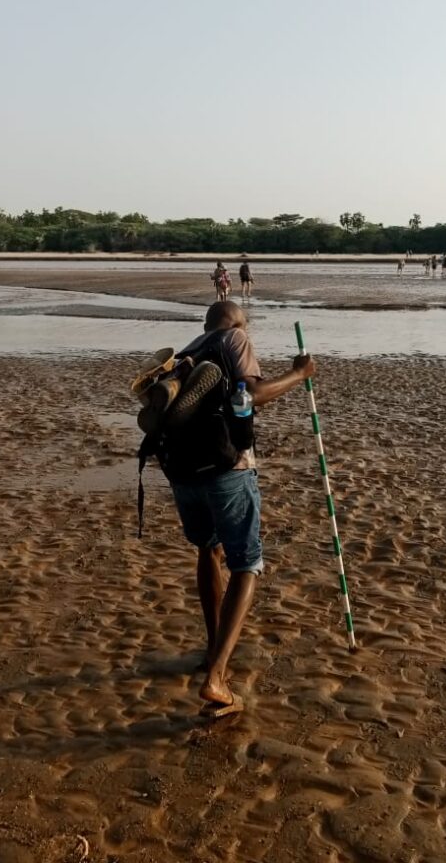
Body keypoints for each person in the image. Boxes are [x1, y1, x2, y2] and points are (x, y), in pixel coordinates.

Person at [169, 300, 315, 716]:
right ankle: (216, 677)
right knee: (247, 563)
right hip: (227, 469)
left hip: (183, 474)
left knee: (208, 549)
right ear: (237, 322)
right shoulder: (235, 338)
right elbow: (252, 394)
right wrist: (298, 373)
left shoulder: (186, 352)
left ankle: (213, 650)